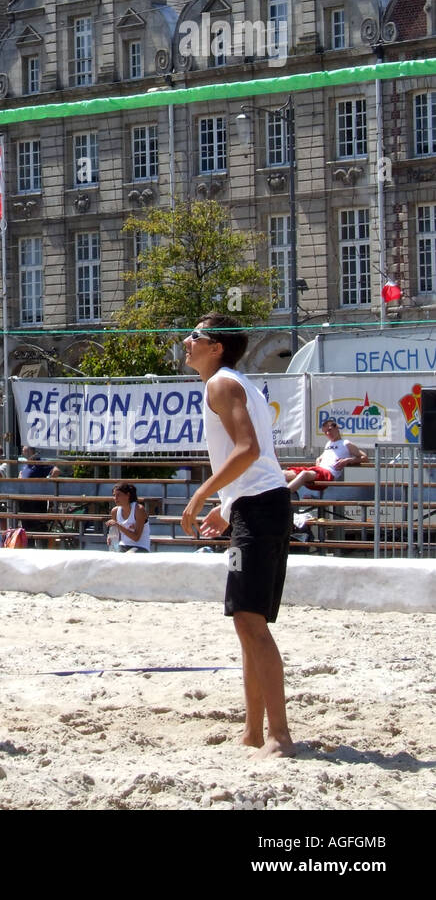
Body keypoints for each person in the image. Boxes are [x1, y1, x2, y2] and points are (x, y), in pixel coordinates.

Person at [181, 314, 294, 758]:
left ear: (217, 347)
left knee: (249, 621)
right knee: (248, 623)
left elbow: (248, 450)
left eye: (195, 335)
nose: (186, 340)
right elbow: (258, 458)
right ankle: (252, 732)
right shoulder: (232, 382)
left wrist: (201, 495)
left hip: (262, 509)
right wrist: (228, 508)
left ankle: (280, 736)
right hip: (256, 506)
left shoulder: (221, 385)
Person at [283, 419, 368, 493]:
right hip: (318, 470)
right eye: (325, 432)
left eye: (330, 430)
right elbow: (325, 455)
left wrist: (348, 460)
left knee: (304, 474)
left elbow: (365, 457)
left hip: (328, 474)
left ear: (337, 428)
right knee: (284, 473)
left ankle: (282, 496)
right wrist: (319, 458)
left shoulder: (346, 443)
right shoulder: (328, 444)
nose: (328, 433)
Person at [105, 482, 152, 552]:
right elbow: (116, 533)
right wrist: (110, 536)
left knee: (128, 557)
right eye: (114, 495)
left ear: (128, 495)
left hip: (140, 546)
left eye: (118, 495)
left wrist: (118, 525)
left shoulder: (138, 509)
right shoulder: (114, 511)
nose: (115, 498)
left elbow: (136, 538)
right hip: (123, 545)